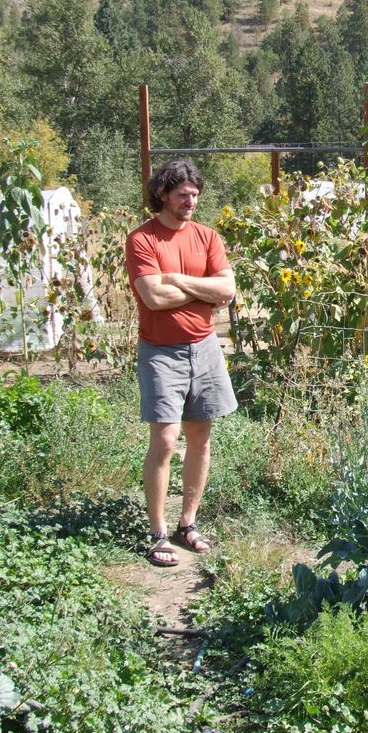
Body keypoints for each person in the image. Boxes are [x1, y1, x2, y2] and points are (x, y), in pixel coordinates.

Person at [126, 159, 238, 568]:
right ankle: (157, 533)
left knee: (201, 437)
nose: (190, 201)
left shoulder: (208, 237)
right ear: (163, 195)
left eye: (194, 195)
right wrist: (203, 292)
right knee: (167, 440)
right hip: (161, 352)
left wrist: (176, 280)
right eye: (182, 195)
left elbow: (227, 288)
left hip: (204, 347)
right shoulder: (143, 239)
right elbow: (153, 298)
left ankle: (187, 523)